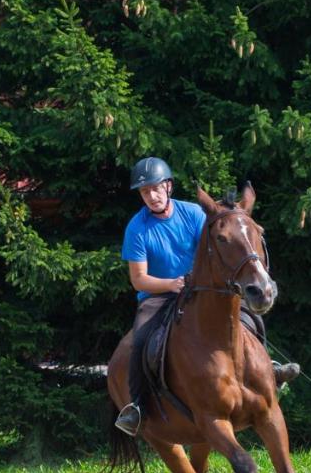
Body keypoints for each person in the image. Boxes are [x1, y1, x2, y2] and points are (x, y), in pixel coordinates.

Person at [114, 157, 300, 436]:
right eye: (144, 192)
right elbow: (139, 279)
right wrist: (171, 284)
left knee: (249, 318)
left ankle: (268, 370)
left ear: (168, 186)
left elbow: (218, 246)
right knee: (140, 339)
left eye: (155, 188)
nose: (151, 196)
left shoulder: (192, 214)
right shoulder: (137, 228)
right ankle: (138, 406)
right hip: (159, 296)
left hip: (201, 291)